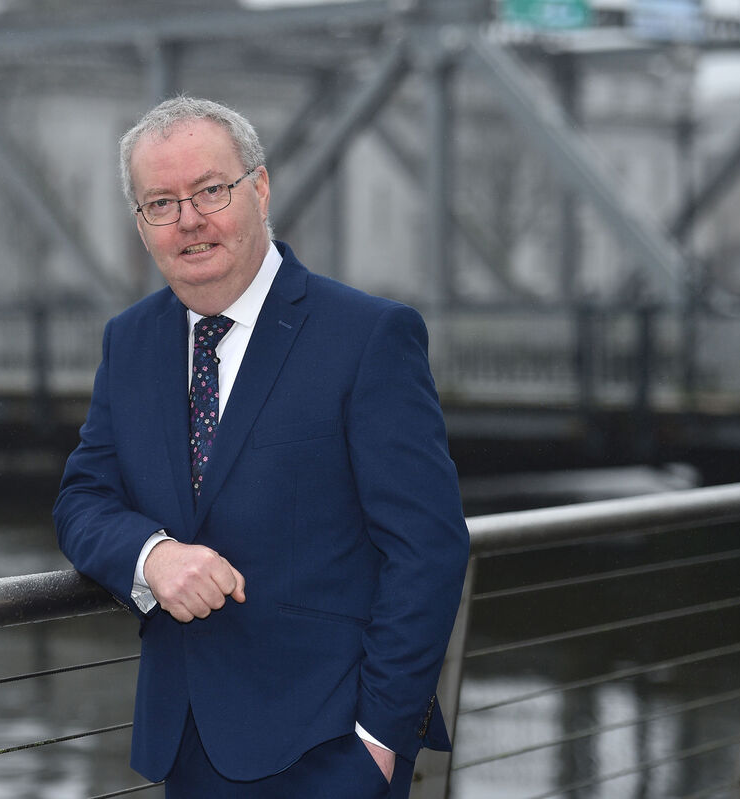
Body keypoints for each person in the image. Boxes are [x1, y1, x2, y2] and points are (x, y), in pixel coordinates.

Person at [54, 96, 469, 798]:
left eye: (210, 190)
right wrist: (152, 555)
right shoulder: (131, 340)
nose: (189, 219)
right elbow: (83, 499)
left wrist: (379, 742)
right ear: (142, 223)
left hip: (330, 750)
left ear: (260, 187)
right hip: (185, 745)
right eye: (161, 202)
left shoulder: (368, 336)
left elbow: (428, 547)